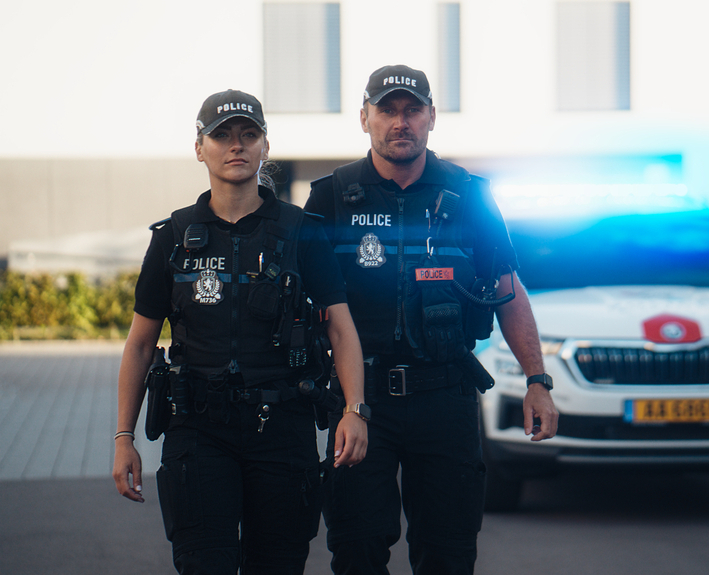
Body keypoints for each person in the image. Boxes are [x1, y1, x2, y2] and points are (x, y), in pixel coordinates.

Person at [304, 64, 558, 575]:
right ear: (364, 118)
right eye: (388, 110)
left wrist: (537, 380)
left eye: (412, 110)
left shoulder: (471, 196)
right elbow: (302, 299)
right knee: (356, 549)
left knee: (448, 551)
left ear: (432, 118)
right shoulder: (330, 197)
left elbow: (508, 290)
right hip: (361, 400)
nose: (401, 122)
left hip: (445, 398)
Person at [112, 89, 368, 575]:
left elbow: (340, 327)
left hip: (283, 428)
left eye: (249, 135)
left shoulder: (301, 231)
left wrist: (355, 410)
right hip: (199, 430)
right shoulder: (172, 238)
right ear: (199, 148)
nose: (236, 146)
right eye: (222, 136)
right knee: (204, 564)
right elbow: (141, 343)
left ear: (265, 147)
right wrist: (124, 437)